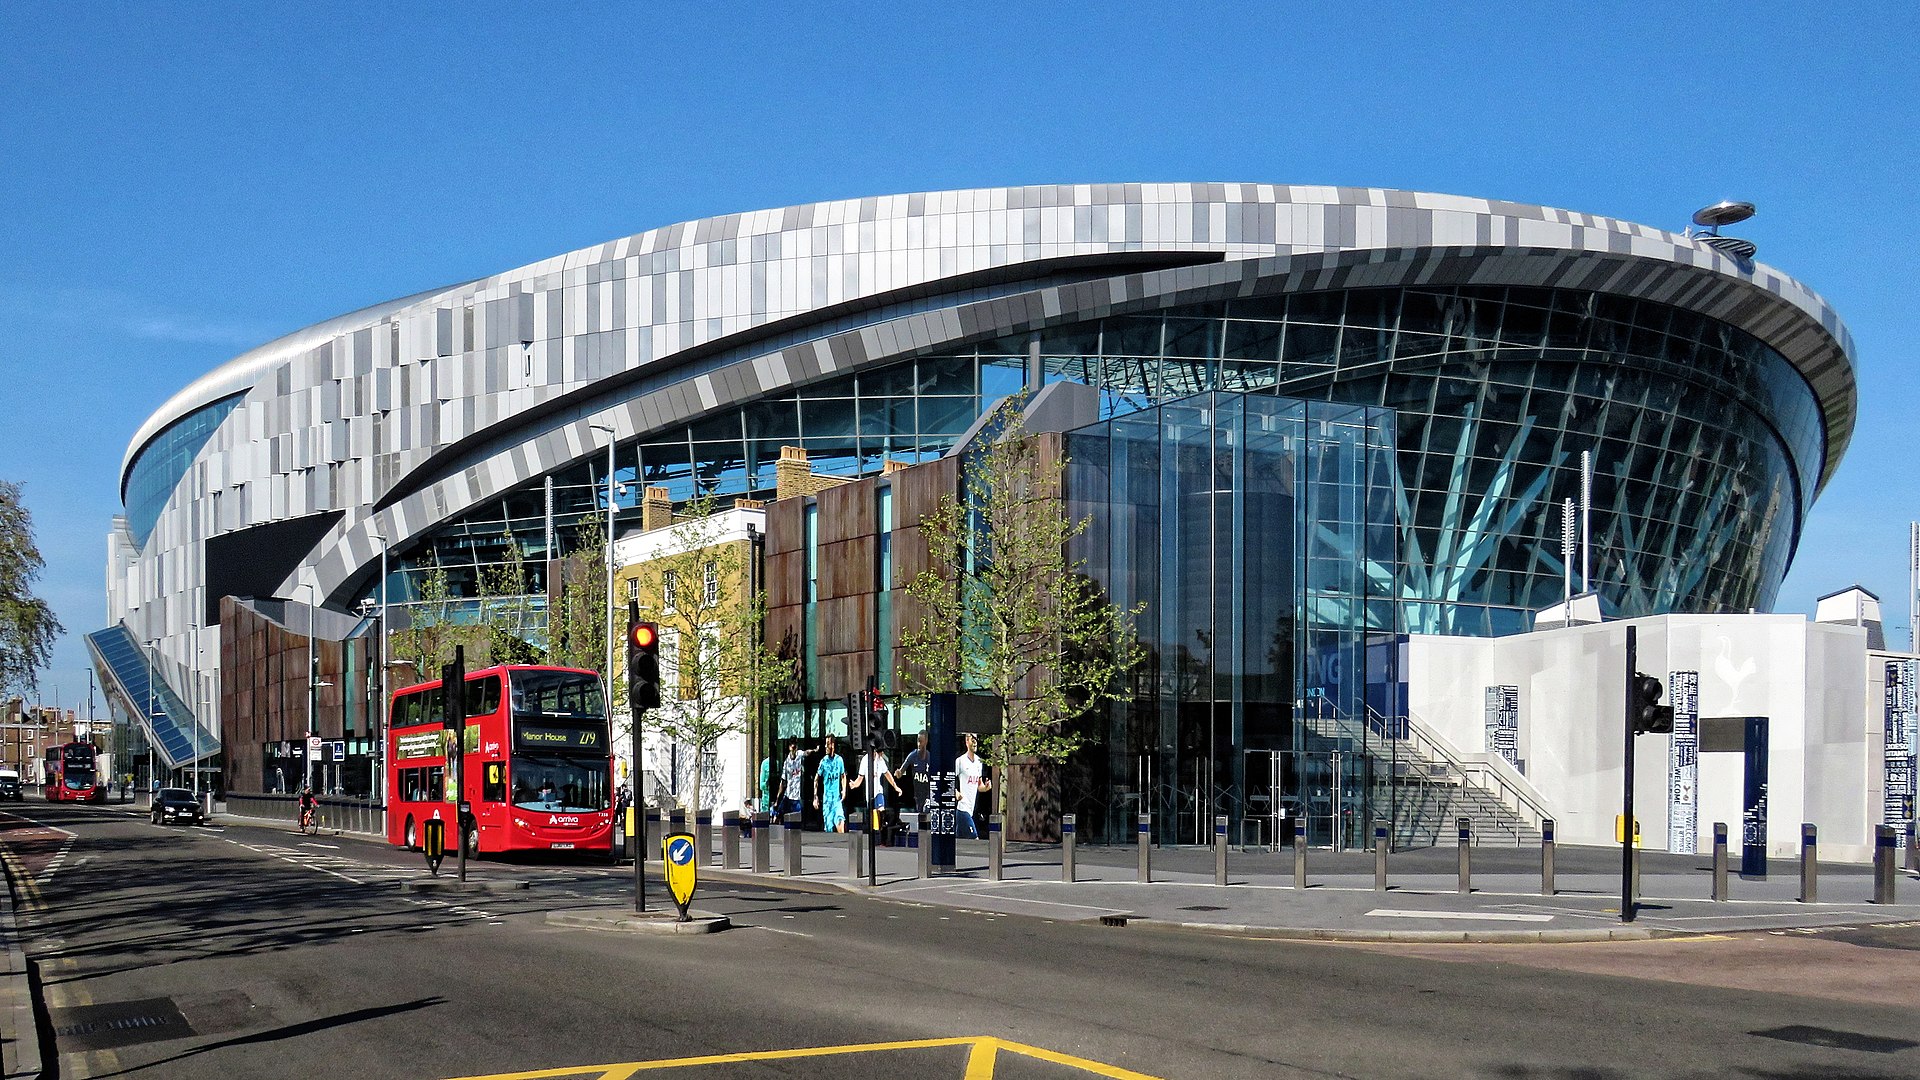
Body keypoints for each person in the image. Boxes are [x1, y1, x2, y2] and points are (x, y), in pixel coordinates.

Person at [849, 743, 902, 840]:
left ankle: (882, 833)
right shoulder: (865, 760)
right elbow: (860, 778)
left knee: (881, 810)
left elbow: (887, 774)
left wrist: (895, 786)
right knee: (873, 817)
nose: (881, 754)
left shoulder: (880, 760)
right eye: (880, 752)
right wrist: (854, 785)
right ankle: (875, 835)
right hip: (870, 794)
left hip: (878, 792)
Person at [955, 733, 988, 839]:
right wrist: (955, 792)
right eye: (972, 741)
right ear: (966, 742)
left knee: (958, 841)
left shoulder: (979, 762)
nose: (975, 743)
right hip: (962, 808)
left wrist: (986, 787)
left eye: (976, 741)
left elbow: (980, 786)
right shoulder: (960, 761)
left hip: (972, 809)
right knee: (974, 838)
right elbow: (949, 781)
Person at [814, 734, 846, 833]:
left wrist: (844, 790)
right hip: (827, 801)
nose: (825, 747)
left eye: (828, 744)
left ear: (833, 745)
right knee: (829, 830)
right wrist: (815, 797)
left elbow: (843, 775)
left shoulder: (839, 760)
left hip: (837, 800)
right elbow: (816, 779)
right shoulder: (823, 762)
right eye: (825, 744)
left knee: (841, 822)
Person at [778, 742, 805, 820]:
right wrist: (778, 798)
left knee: (797, 818)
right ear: (789, 748)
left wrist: (815, 750)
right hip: (789, 795)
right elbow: (783, 781)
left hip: (797, 797)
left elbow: (806, 752)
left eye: (795, 747)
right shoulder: (787, 762)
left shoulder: (799, 755)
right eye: (792, 748)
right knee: (780, 814)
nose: (794, 750)